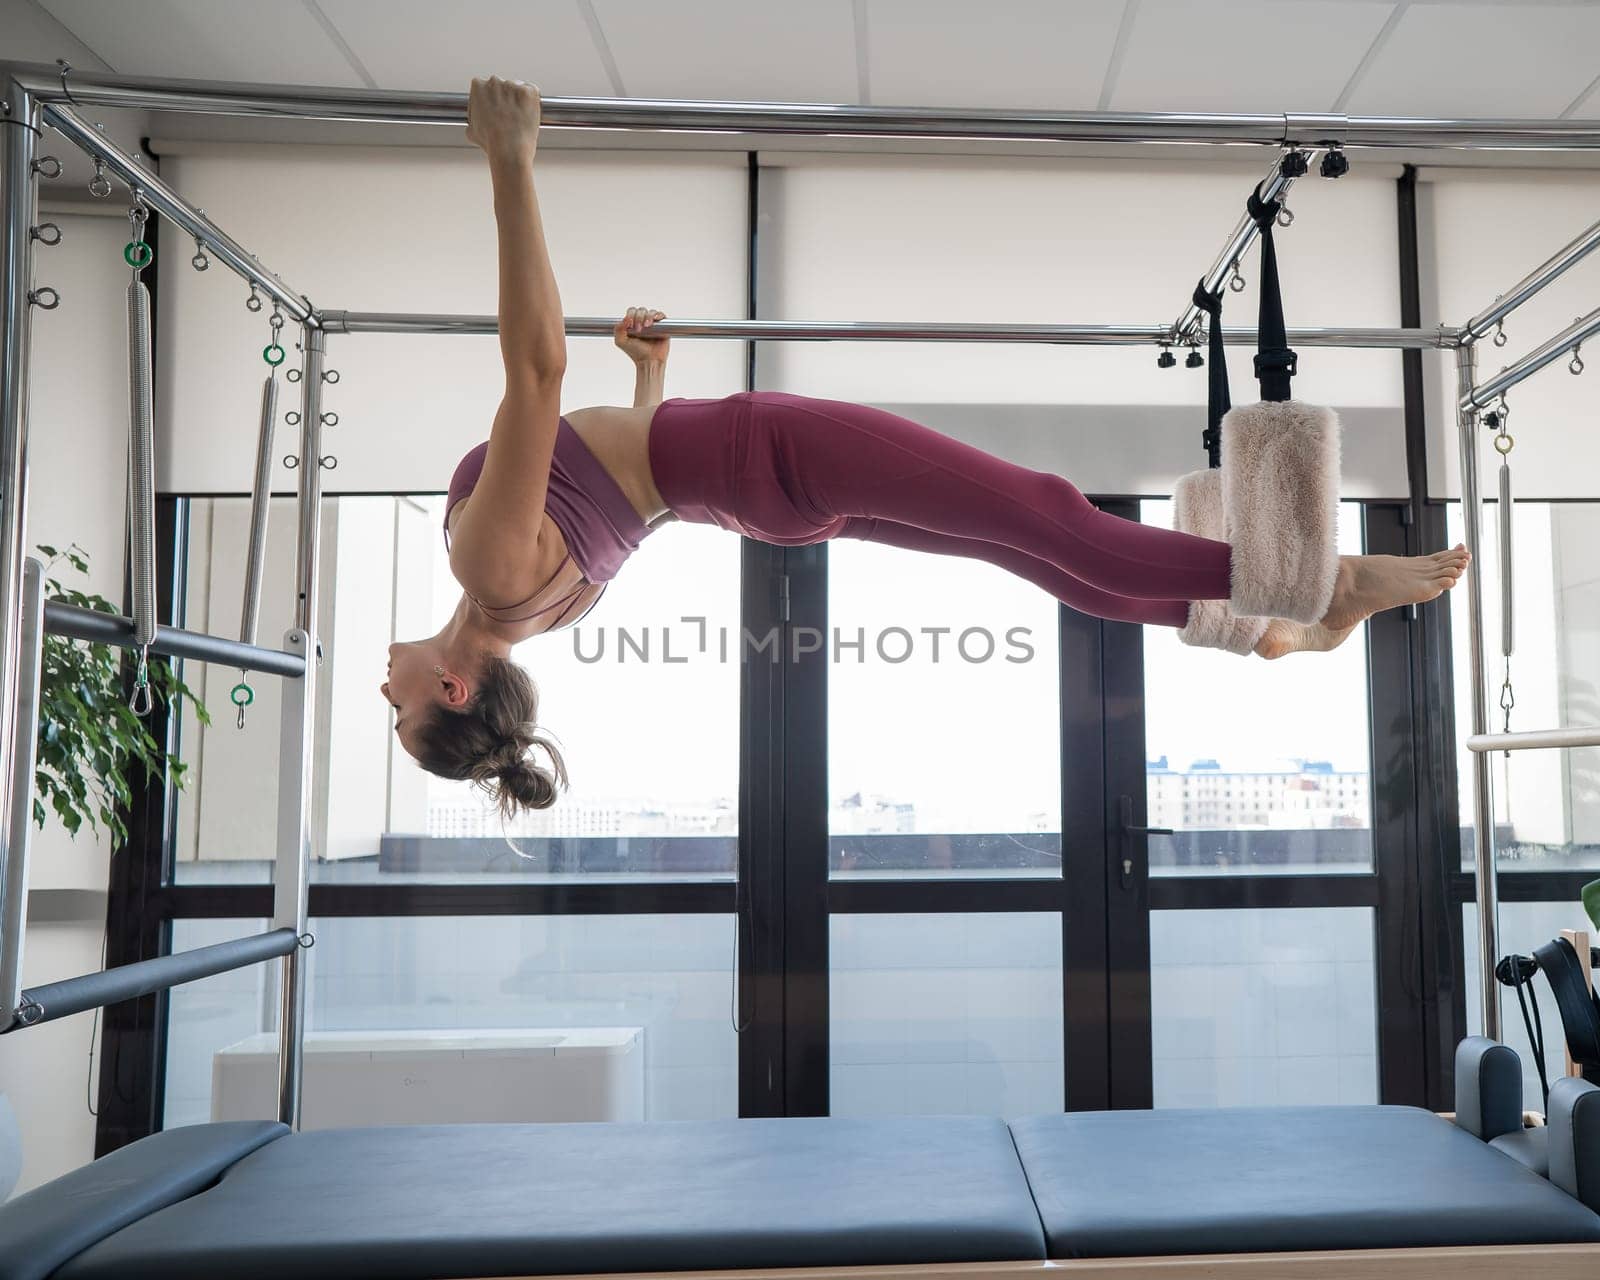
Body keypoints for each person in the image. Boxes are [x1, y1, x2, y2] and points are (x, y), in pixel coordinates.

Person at [381, 76, 1469, 814]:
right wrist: (511, 162)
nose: (387, 688)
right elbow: (534, 372)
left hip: (762, 497)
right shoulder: (486, 570)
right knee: (1043, 515)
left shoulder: (534, 607)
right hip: (775, 458)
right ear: (456, 690)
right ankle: (1320, 584)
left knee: (1033, 548)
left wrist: (650, 377)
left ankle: (1258, 625)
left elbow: (636, 495)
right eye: (402, 707)